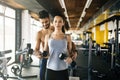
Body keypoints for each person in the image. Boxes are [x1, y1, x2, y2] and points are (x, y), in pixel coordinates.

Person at [43, 13, 76, 80]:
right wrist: (42, 55)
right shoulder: (48, 36)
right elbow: (45, 52)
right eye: (55, 21)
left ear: (63, 23)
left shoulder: (67, 37)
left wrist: (71, 58)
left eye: (60, 21)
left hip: (63, 69)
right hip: (50, 69)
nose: (57, 23)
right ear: (53, 23)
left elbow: (70, 53)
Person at [34, 10, 53, 80]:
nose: (45, 24)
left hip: (55, 57)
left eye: (46, 21)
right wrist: (37, 54)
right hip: (44, 58)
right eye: (42, 22)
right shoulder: (39, 33)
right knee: (42, 76)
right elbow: (36, 49)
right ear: (40, 21)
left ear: (49, 19)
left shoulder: (56, 29)